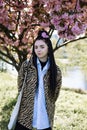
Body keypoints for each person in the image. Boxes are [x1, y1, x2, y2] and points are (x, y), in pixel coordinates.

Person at [15, 29, 62, 130]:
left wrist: (48, 101)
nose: (38, 50)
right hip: (25, 112)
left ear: (48, 48)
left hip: (45, 112)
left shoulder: (56, 71)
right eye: (36, 47)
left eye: (42, 47)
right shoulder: (27, 65)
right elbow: (20, 84)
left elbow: (56, 93)